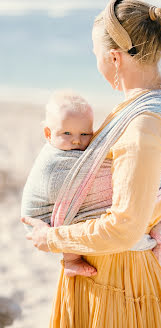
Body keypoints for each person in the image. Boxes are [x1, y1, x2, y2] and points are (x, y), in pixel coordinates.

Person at [22, 1, 161, 326]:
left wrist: (51, 239)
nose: (96, 62)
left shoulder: (143, 122)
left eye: (95, 53)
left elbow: (124, 226)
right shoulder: (152, 107)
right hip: (110, 267)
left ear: (114, 57)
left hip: (115, 278)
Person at [21, 90, 98, 277]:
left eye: (85, 134)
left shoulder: (66, 146)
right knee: (72, 210)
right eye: (67, 133)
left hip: (46, 210)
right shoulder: (54, 159)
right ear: (48, 133)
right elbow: (71, 184)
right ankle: (71, 260)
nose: (76, 140)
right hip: (40, 217)